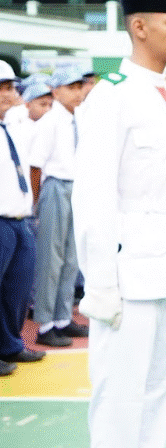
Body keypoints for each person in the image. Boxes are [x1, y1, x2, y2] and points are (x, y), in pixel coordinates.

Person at [72, 0, 166, 448]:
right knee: (119, 402)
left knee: (159, 395)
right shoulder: (111, 97)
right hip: (126, 276)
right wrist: (101, 284)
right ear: (139, 27)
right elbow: (94, 196)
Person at [28, 66, 88, 348]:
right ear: (55, 91)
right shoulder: (50, 122)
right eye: (70, 87)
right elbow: (36, 167)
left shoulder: (80, 118)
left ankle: (63, 317)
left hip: (76, 188)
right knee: (50, 259)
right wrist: (37, 203)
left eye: (79, 86)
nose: (77, 92)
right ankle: (45, 323)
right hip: (55, 187)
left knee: (71, 257)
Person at [1, 61, 46, 375]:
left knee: (16, 288)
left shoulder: (11, 127)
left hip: (19, 219)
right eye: (3, 87)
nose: (10, 93)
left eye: (11, 87)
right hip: (1, 220)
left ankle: (10, 345)